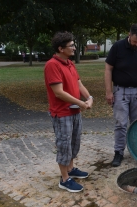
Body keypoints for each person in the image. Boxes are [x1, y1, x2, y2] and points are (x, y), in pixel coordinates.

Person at [44, 31, 94, 192]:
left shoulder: (70, 63)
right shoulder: (52, 65)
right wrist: (80, 102)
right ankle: (64, 179)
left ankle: (71, 170)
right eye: (71, 46)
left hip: (74, 112)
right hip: (62, 113)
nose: (74, 48)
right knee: (64, 145)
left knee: (74, 142)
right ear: (60, 48)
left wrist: (89, 97)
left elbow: (79, 84)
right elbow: (58, 92)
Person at [105, 23, 137, 167]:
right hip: (120, 91)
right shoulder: (117, 47)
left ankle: (136, 151)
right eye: (135, 41)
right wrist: (109, 91)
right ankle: (119, 153)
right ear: (129, 35)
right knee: (121, 124)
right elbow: (108, 69)